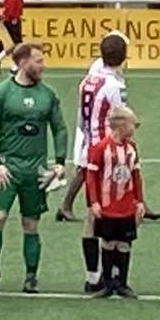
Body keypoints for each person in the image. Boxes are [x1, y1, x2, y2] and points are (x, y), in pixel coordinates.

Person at [0, 43, 69, 294]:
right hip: (9, 167)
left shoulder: (48, 95)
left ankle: (31, 276)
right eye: (38, 61)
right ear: (22, 63)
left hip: (36, 170)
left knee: (31, 225)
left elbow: (59, 128)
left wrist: (60, 162)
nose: (43, 66)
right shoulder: (0, 93)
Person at [60, 32, 132, 287]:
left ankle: (93, 276)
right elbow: (119, 119)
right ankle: (112, 275)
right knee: (112, 209)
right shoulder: (114, 86)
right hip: (107, 150)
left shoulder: (88, 80)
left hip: (89, 145)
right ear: (123, 56)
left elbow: (81, 117)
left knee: (93, 212)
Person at [85, 105, 146, 299]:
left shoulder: (132, 148)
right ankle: (108, 283)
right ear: (121, 125)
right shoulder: (101, 148)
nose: (134, 129)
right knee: (108, 242)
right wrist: (94, 202)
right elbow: (91, 177)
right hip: (107, 206)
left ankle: (122, 283)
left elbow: (136, 176)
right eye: (132, 125)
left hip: (126, 206)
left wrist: (140, 201)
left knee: (125, 243)